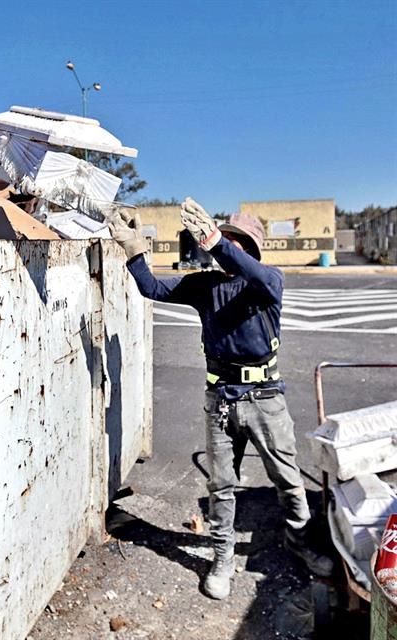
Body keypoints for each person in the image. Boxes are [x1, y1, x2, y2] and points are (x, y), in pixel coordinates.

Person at [106, 198, 333, 600]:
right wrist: (134, 247)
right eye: (225, 238)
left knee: (288, 479)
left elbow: (255, 272)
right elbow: (152, 287)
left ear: (252, 251)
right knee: (222, 484)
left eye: (237, 242)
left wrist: (215, 240)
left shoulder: (266, 282)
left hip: (266, 398)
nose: (227, 246)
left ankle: (301, 541)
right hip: (222, 399)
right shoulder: (206, 285)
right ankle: (222, 555)